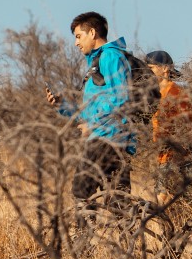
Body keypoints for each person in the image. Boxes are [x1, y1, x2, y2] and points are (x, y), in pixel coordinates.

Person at [46, 12, 136, 203]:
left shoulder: (110, 57)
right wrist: (62, 106)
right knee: (118, 200)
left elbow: (121, 97)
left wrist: (93, 124)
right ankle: (127, 233)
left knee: (81, 191)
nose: (76, 43)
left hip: (108, 138)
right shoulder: (96, 63)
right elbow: (89, 112)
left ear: (92, 33)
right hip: (108, 138)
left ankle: (84, 234)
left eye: (79, 36)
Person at [146, 50, 192, 209]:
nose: (148, 73)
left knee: (169, 201)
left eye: (152, 68)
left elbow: (184, 127)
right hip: (164, 155)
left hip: (175, 155)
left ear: (165, 69)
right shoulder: (155, 94)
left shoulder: (174, 92)